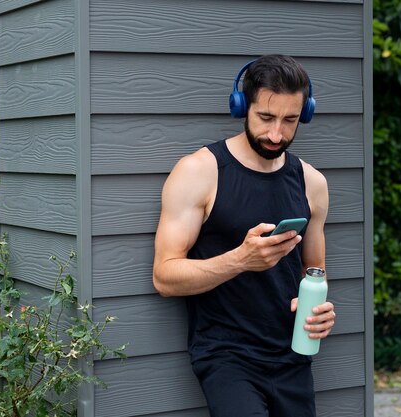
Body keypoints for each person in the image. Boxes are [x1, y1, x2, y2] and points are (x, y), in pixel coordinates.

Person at [152, 54, 336, 417]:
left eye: (290, 120)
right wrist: (241, 259)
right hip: (226, 358)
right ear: (241, 107)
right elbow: (164, 276)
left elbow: (314, 269)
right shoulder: (200, 172)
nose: (276, 134)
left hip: (294, 354)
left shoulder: (312, 183)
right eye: (265, 117)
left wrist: (318, 310)